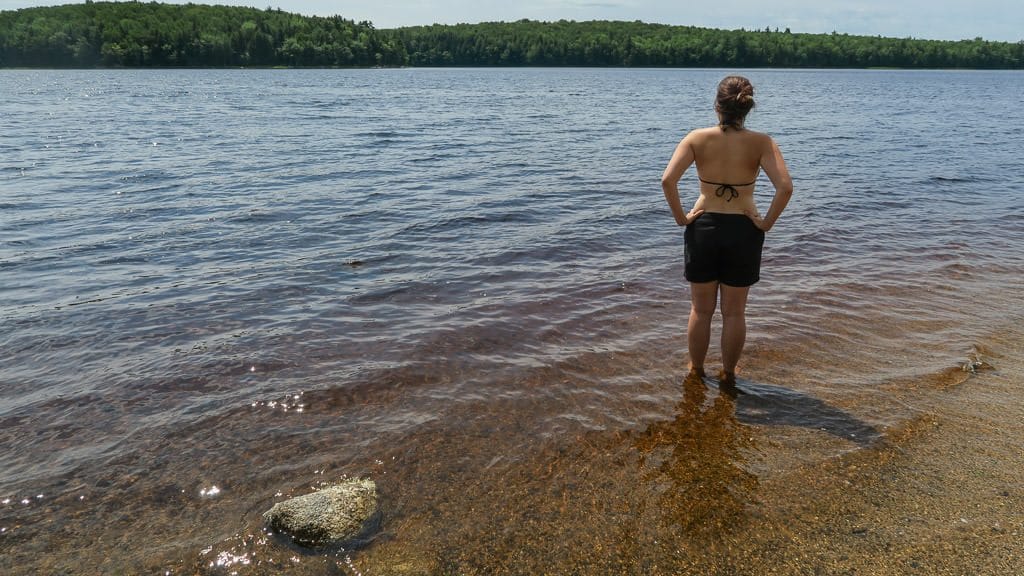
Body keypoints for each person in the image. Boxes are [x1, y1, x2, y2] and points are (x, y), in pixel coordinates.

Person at [661, 75, 793, 384]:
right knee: (734, 313)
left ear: (717, 105)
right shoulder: (761, 142)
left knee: (701, 309)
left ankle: (696, 370)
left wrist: (682, 217)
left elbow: (668, 180)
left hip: (704, 227)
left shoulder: (696, 138)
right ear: (747, 108)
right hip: (743, 230)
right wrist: (766, 224)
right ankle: (729, 373)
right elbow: (785, 187)